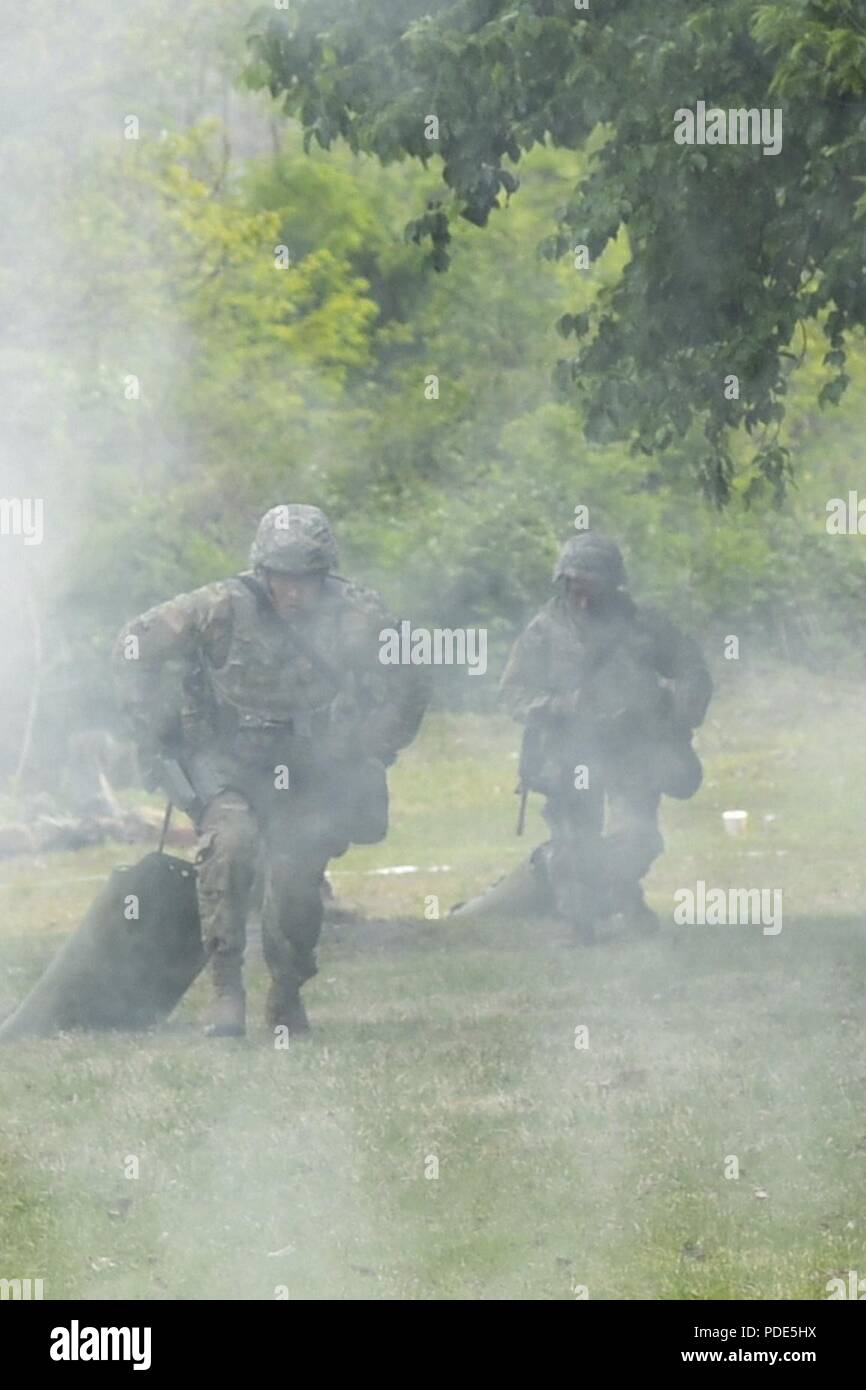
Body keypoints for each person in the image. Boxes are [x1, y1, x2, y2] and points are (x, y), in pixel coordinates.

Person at [113, 504, 428, 1036]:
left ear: (324, 574)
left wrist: (369, 747)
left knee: (295, 879)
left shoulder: (358, 615)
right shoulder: (219, 608)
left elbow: (411, 680)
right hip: (232, 764)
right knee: (229, 850)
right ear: (262, 572)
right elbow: (131, 645)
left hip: (312, 770)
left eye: (306, 578)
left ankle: (286, 991)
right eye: (282, 577)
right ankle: (225, 992)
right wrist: (158, 734)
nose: (294, 591)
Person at [498, 533, 711, 941]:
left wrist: (673, 709)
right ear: (563, 583)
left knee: (637, 838)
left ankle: (616, 892)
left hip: (634, 750)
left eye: (591, 586)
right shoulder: (544, 631)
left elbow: (692, 671)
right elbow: (513, 693)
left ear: (613, 585)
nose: (582, 597)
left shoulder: (645, 626)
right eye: (574, 585)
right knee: (574, 847)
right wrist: (562, 705)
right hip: (570, 753)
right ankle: (584, 923)